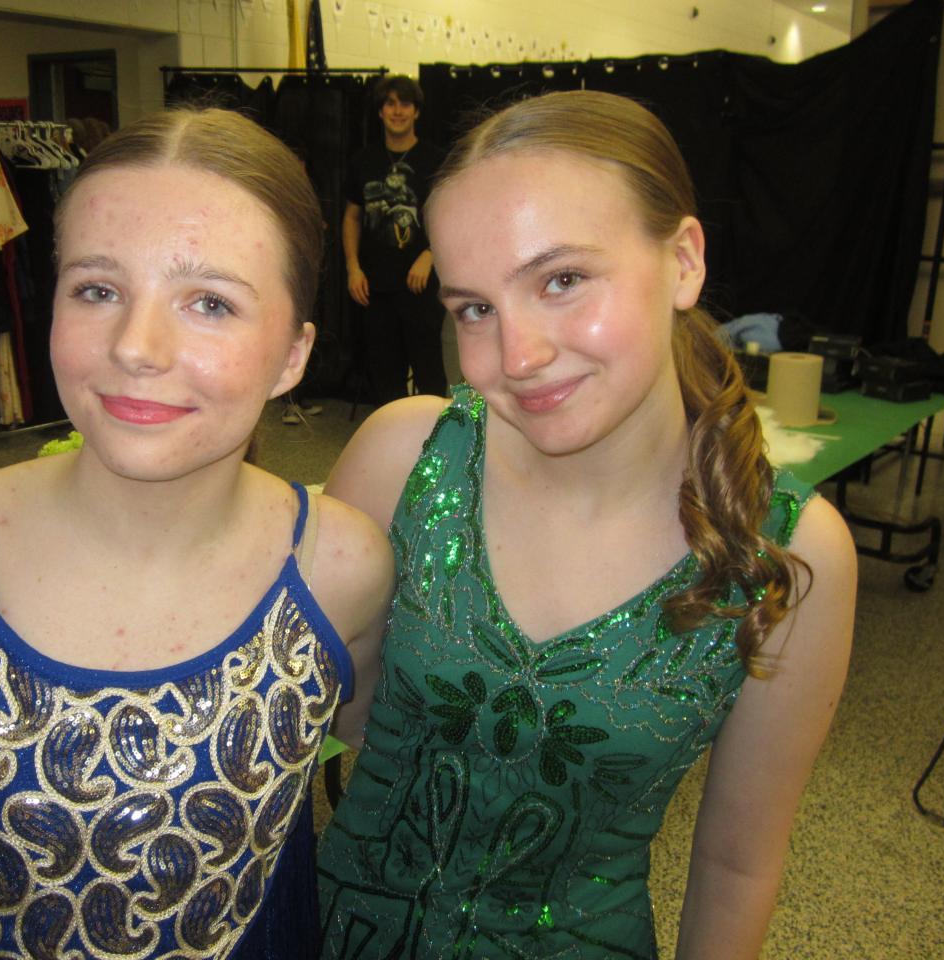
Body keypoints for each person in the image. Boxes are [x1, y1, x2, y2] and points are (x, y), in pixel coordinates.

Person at [0, 107, 393, 960]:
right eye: (98, 290)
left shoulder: (340, 567)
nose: (136, 347)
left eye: (210, 302)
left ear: (292, 356)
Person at [317, 91, 857, 959]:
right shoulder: (403, 458)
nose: (518, 356)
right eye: (475, 308)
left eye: (562, 280)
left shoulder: (783, 554)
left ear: (684, 261)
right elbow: (328, 725)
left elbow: (736, 864)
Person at [344, 75, 448, 406]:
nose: (397, 111)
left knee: (429, 375)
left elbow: (450, 216)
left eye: (405, 104)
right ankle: (396, 433)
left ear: (416, 111)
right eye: (390, 104)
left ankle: (438, 436)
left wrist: (430, 254)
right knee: (385, 379)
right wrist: (353, 268)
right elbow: (352, 217)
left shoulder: (435, 160)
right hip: (374, 287)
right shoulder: (363, 161)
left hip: (420, 287)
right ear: (380, 111)